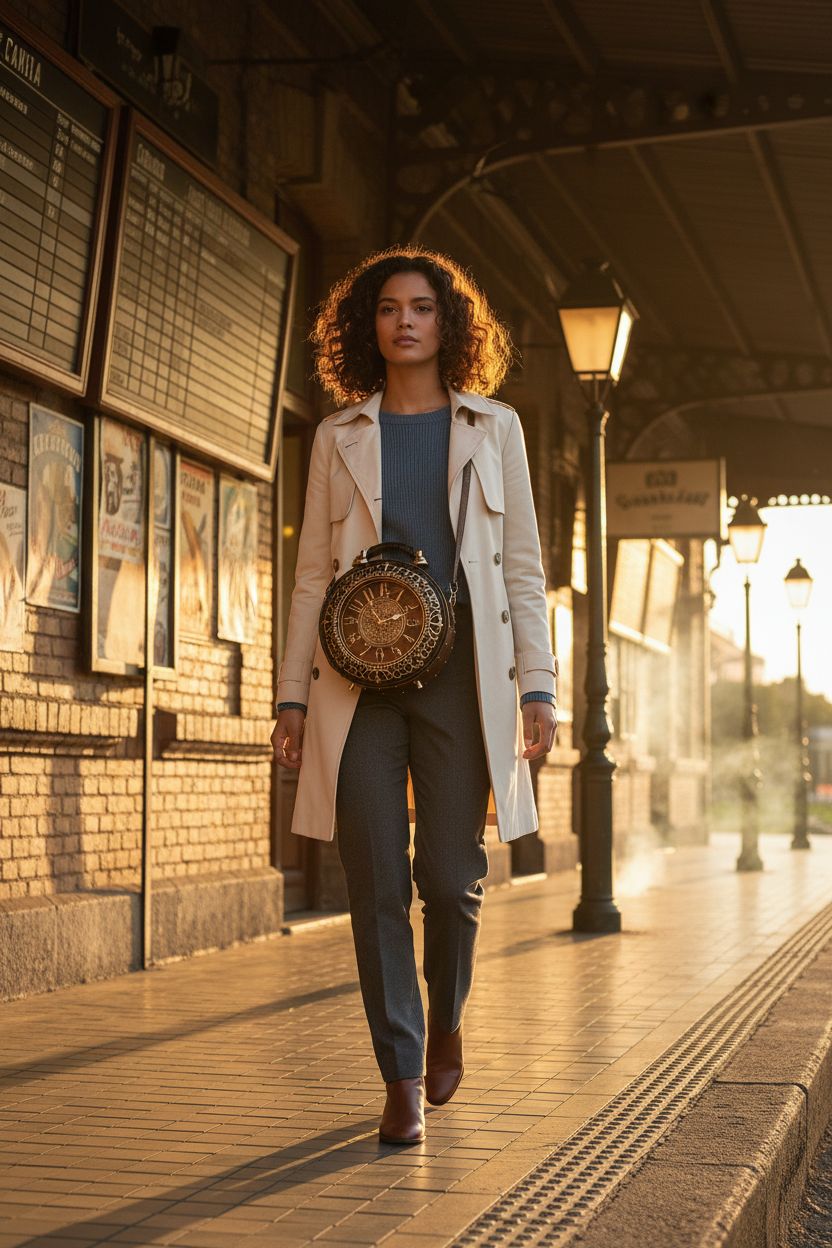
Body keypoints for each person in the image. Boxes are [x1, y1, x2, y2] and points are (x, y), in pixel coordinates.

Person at [271, 246, 557, 1145]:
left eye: (423, 307)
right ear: (369, 325)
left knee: (450, 874)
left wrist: (539, 687)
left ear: (448, 324)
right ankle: (399, 1071)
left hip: (462, 681)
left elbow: (521, 571)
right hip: (357, 682)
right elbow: (311, 576)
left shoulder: (495, 428)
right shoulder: (336, 436)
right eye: (389, 307)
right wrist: (289, 699)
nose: (405, 321)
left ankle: (446, 1018)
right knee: (374, 874)